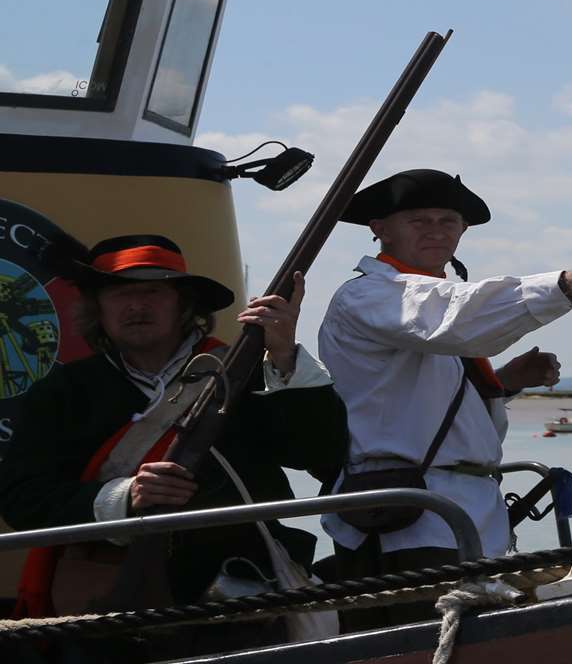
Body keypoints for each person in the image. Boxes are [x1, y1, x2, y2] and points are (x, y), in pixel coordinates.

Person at [316, 169, 572, 628]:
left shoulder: (429, 298)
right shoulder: (369, 296)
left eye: (448, 220)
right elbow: (457, 318)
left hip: (469, 514)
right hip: (410, 521)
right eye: (418, 220)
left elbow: (428, 385)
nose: (436, 230)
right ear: (380, 229)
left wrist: (504, 384)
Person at [0, 235, 342, 622]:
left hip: (238, 586)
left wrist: (283, 356)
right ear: (97, 309)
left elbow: (321, 453)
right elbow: (22, 499)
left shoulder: (243, 372)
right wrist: (125, 496)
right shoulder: (63, 392)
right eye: (118, 294)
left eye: (153, 292)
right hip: (110, 592)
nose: (136, 306)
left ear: (184, 305)